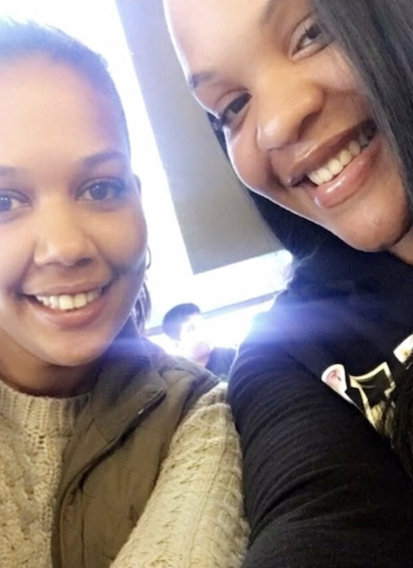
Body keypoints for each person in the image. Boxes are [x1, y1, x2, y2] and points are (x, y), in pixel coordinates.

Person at [164, 0, 413, 566]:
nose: (276, 124)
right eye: (233, 106)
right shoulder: (290, 355)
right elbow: (318, 518)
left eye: (312, 33)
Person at [0, 19, 247, 567]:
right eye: (5, 202)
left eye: (100, 188)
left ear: (137, 199)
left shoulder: (194, 416)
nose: (65, 246)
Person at [162, 302, 237, 379]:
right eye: (191, 328)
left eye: (201, 323)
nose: (202, 331)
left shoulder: (231, 356)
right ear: (177, 344)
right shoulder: (177, 375)